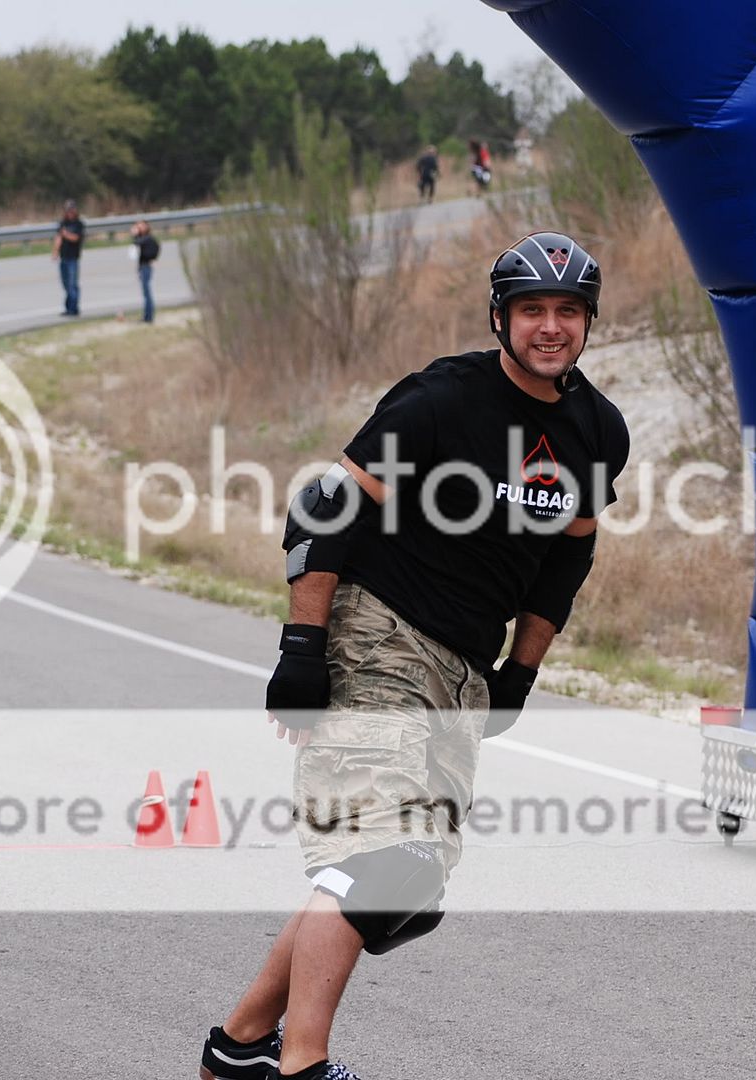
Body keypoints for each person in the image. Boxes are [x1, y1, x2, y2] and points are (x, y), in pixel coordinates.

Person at [200, 232, 629, 1080]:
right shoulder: (441, 400)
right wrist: (301, 648)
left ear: (588, 323)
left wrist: (521, 671)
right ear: (500, 317)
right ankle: (302, 1063)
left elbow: (565, 564)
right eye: (532, 311)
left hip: (464, 665)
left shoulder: (595, 431)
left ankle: (240, 1045)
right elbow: (325, 509)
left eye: (568, 313)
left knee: (408, 894)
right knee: (380, 859)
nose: (551, 328)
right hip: (378, 631)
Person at [53, 200, 84, 316]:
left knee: (72, 284)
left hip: (73, 258)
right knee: (65, 284)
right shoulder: (63, 223)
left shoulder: (78, 224)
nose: (69, 212)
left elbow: (76, 238)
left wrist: (66, 234)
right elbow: (58, 237)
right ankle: (69, 307)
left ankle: (73, 308)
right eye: (67, 210)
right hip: (63, 257)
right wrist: (55, 251)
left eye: (71, 210)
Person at [131, 219, 160, 323]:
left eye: (141, 226)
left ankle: (149, 316)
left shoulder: (148, 239)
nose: (139, 228)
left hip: (146, 267)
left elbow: (137, 243)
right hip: (143, 267)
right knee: (145, 293)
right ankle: (147, 315)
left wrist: (135, 234)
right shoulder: (144, 238)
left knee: (147, 293)